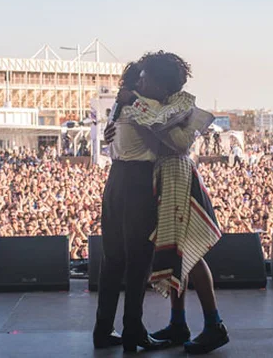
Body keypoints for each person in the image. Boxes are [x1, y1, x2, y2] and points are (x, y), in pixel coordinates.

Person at [115, 51, 229, 354]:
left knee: (187, 251)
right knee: (176, 250)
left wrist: (132, 102)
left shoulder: (179, 105)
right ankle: (178, 323)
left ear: (160, 84)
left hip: (176, 175)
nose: (139, 82)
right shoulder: (162, 104)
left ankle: (214, 324)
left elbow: (178, 141)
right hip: (164, 175)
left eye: (145, 78)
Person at [92, 62, 169, 353]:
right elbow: (161, 129)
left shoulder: (119, 105)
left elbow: (110, 137)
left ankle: (102, 329)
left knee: (112, 259)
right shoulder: (141, 104)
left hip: (116, 179)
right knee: (139, 260)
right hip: (138, 181)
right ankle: (133, 330)